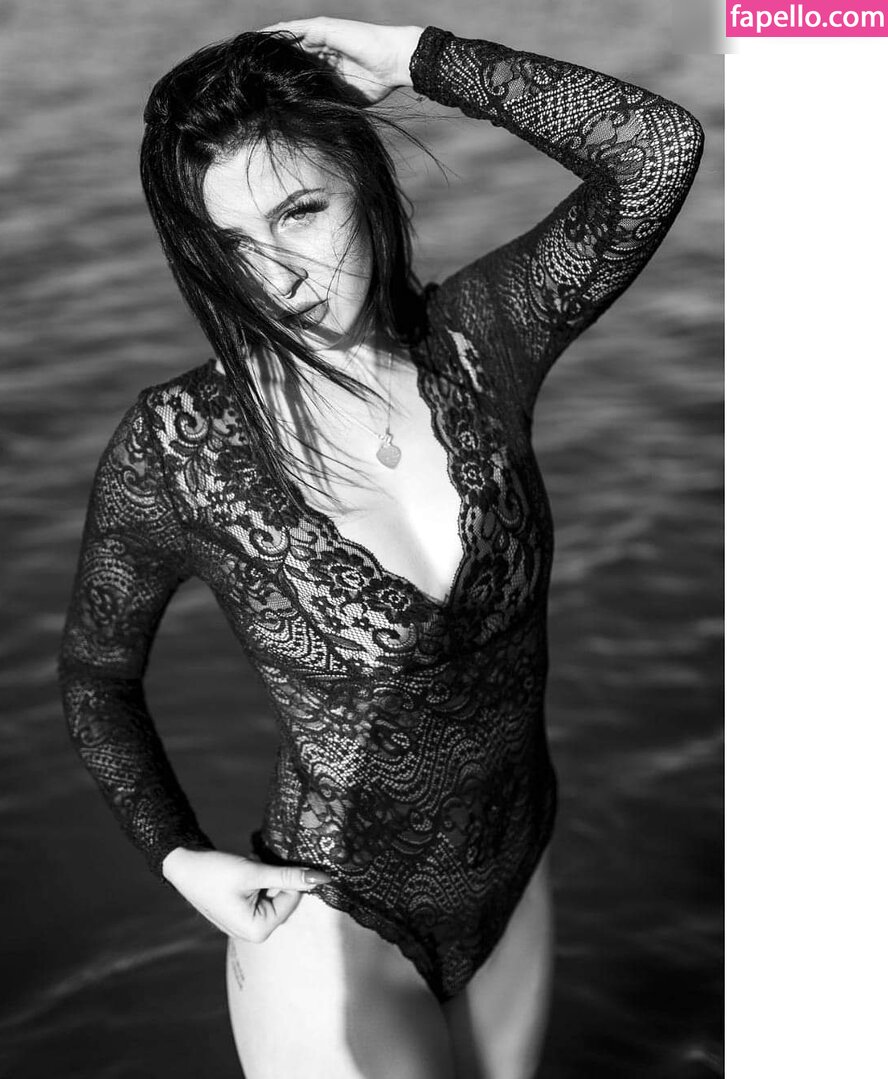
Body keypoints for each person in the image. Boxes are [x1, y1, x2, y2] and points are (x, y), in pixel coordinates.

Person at [58, 16, 704, 1079]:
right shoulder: (181, 448)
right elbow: (96, 675)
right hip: (332, 915)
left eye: (300, 212)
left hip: (515, 875)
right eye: (234, 243)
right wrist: (179, 856)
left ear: (362, 181)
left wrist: (414, 56)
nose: (279, 276)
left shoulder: (484, 341)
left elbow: (656, 149)